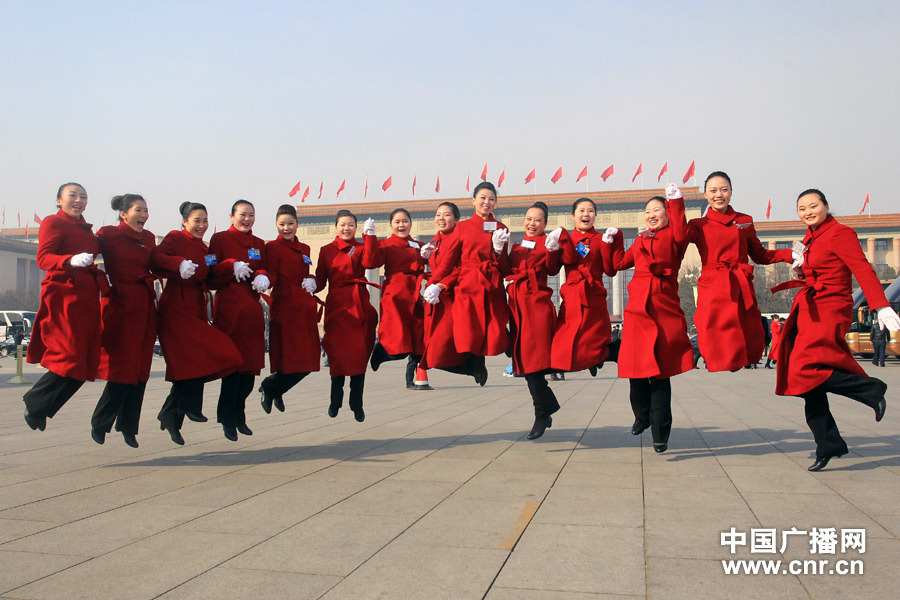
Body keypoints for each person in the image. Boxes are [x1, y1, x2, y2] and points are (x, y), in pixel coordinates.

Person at [773, 189, 900, 471]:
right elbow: (809, 266)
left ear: (826, 206)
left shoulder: (841, 233)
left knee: (805, 367)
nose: (808, 211)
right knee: (805, 381)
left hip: (829, 309)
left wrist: (881, 305)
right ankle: (828, 443)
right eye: (802, 208)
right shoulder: (809, 238)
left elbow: (862, 269)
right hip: (808, 308)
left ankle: (871, 389)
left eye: (813, 206)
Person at [668, 175, 793, 372]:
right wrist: (675, 203)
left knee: (748, 327)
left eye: (724, 189)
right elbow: (679, 236)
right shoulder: (698, 224)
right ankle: (718, 361)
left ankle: (745, 359)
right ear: (706, 195)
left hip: (739, 282)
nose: (719, 195)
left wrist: (790, 254)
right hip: (714, 283)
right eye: (713, 190)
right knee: (710, 324)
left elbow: (760, 255)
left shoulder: (744, 221)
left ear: (731, 192)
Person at [604, 196, 694, 453]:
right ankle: (641, 416)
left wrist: (676, 201)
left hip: (664, 311)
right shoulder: (641, 240)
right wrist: (615, 241)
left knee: (661, 376)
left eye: (657, 210)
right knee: (636, 371)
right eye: (648, 211)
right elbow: (617, 265)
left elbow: (681, 228)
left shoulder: (676, 238)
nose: (651, 214)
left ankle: (660, 434)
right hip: (636, 313)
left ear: (667, 214)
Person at [150, 202, 243, 445]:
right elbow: (157, 258)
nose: (201, 226)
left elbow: (211, 278)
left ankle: (171, 413)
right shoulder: (174, 238)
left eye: (205, 221)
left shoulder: (205, 249)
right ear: (184, 221)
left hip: (197, 307)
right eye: (196, 220)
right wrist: (177, 263)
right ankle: (187, 406)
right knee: (197, 358)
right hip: (176, 307)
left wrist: (231, 265)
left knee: (209, 356)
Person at [24, 183, 106, 432]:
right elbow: (43, 258)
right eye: (73, 196)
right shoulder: (53, 222)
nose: (78, 200)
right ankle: (35, 400)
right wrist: (68, 260)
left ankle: (42, 408)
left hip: (87, 299)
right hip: (64, 297)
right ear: (59, 201)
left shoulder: (88, 231)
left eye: (83, 197)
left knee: (85, 362)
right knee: (70, 355)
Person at [423, 182, 510, 381]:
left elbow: (505, 266)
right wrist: (434, 284)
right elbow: (448, 262)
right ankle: (475, 367)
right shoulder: (461, 228)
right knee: (468, 331)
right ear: (473, 201)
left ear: (495, 203)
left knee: (494, 328)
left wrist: (498, 250)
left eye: (491, 199)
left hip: (491, 285)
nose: (486, 202)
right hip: (468, 286)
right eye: (482, 198)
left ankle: (489, 361)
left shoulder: (501, 228)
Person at [91, 194, 157, 448]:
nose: (143, 215)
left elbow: (158, 261)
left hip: (145, 308)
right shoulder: (108, 234)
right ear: (123, 214)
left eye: (146, 210)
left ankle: (129, 427)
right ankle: (100, 422)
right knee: (122, 369)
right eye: (138, 210)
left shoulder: (149, 238)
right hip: (121, 307)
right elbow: (87, 253)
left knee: (141, 370)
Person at [208, 200, 270, 441]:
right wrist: (229, 266)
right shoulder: (220, 240)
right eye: (243, 214)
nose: (247, 219)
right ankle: (227, 418)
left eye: (251, 215)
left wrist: (264, 277)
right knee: (233, 371)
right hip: (230, 311)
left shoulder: (259, 244)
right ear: (231, 216)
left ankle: (240, 414)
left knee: (249, 372)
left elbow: (264, 268)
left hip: (252, 314)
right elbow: (210, 276)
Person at [315, 209, 382, 421]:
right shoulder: (326, 250)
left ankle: (357, 402)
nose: (346, 228)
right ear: (336, 227)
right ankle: (335, 400)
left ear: (356, 228)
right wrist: (308, 283)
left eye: (351, 225)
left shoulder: (360, 248)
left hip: (359, 304)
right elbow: (320, 280)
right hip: (337, 307)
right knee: (337, 355)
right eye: (343, 224)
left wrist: (370, 237)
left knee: (359, 355)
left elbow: (372, 263)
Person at [505, 202, 563, 439]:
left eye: (537, 220)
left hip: (537, 308)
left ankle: (543, 412)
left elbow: (551, 269)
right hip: (517, 309)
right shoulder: (517, 247)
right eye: (529, 218)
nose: (532, 223)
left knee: (534, 365)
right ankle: (545, 409)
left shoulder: (547, 243)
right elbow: (504, 269)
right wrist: (499, 250)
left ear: (544, 224)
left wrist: (552, 250)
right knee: (526, 366)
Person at [258, 205, 321, 412]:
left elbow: (305, 273)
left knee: (308, 360)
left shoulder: (305, 248)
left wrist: (312, 279)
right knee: (289, 359)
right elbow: (273, 274)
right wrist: (264, 280)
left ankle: (274, 388)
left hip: (303, 308)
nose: (286, 228)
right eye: (282, 224)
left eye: (290, 224)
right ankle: (272, 388)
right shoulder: (272, 248)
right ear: (276, 225)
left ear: (297, 224)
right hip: (285, 306)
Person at [418, 202, 486, 383]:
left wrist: (440, 285)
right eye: (438, 214)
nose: (441, 218)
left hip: (453, 297)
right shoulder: (435, 241)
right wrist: (425, 259)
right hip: (437, 299)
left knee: (439, 347)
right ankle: (473, 367)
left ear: (457, 219)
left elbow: (461, 268)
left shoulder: (460, 238)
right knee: (434, 351)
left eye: (447, 215)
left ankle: (475, 364)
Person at [550, 197, 616, 375]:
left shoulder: (602, 239)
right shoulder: (566, 239)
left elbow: (610, 270)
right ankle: (585, 362)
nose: (586, 214)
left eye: (590, 211)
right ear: (573, 216)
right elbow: (552, 269)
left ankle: (597, 359)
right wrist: (551, 250)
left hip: (594, 295)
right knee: (565, 336)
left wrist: (610, 245)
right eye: (581, 210)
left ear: (595, 216)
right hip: (572, 296)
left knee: (595, 337)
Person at [369, 208, 432, 390]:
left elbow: (435, 263)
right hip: (395, 295)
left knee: (419, 336)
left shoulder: (418, 245)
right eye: (397, 222)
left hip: (414, 295)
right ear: (391, 225)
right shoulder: (385, 244)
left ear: (411, 224)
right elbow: (371, 262)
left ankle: (412, 379)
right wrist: (370, 238)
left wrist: (430, 256)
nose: (401, 225)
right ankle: (380, 352)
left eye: (405, 221)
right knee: (398, 336)